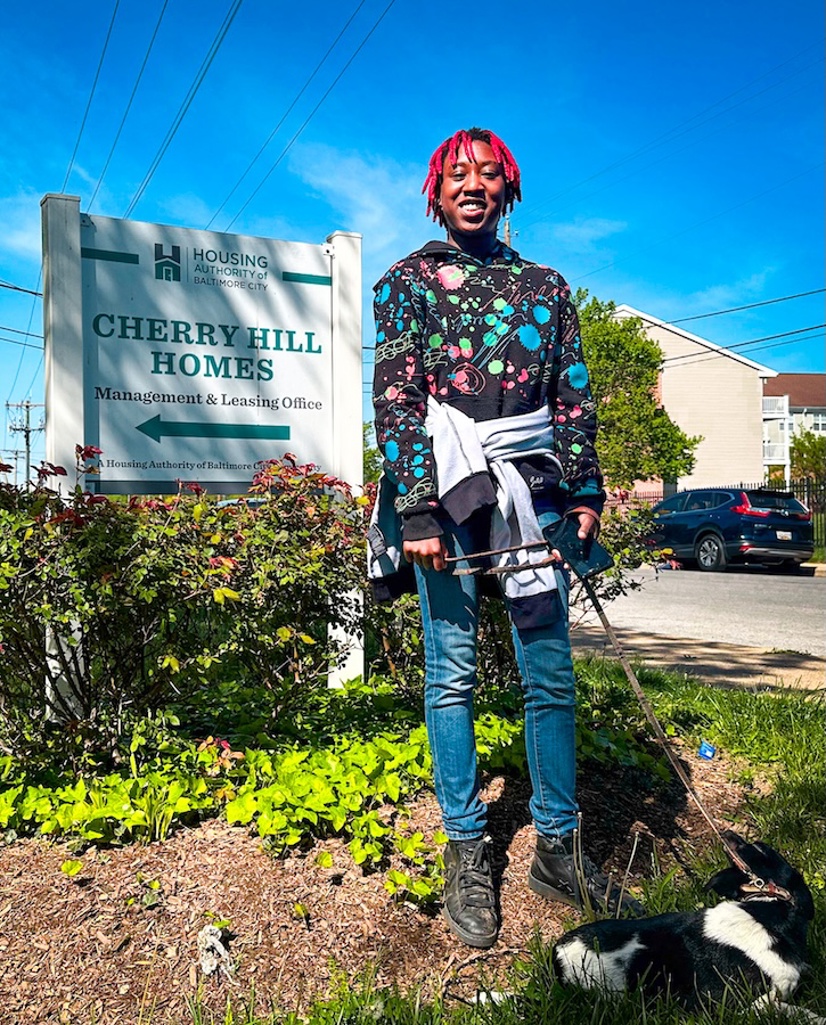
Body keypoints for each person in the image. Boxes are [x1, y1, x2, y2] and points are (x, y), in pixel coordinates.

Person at [369, 127, 642, 949]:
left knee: (548, 672)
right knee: (449, 674)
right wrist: (415, 508)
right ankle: (464, 845)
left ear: (510, 190)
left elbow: (573, 398)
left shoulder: (548, 290)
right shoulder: (405, 284)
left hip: (531, 499)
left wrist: (585, 493)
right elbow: (396, 397)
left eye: (490, 175)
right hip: (447, 494)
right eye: (459, 174)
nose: (474, 185)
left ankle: (558, 846)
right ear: (435, 190)